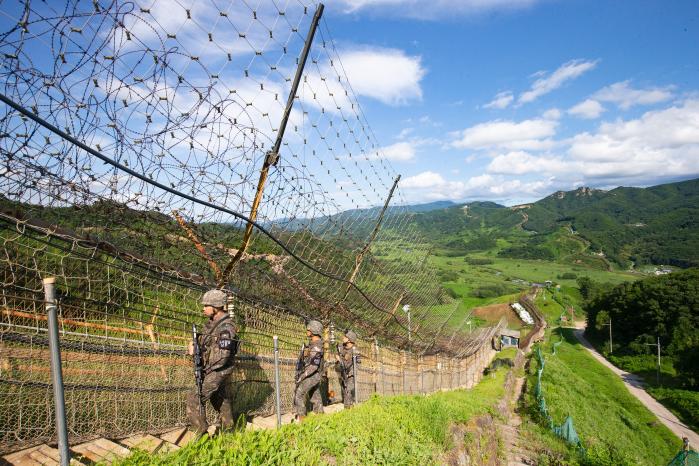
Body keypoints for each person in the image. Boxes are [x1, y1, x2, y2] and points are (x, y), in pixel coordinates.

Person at [186, 289, 238, 436]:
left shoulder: (226, 328)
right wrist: (193, 345)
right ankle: (229, 431)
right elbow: (204, 344)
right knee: (219, 399)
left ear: (215, 307)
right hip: (212, 369)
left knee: (195, 397)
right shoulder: (210, 324)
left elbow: (223, 356)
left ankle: (200, 433)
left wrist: (207, 370)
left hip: (218, 370)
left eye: (206, 306)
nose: (203, 309)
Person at [294, 320, 324, 420]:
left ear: (314, 330)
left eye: (309, 329)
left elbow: (314, 366)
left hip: (313, 375)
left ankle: (303, 420)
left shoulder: (316, 346)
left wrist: (302, 376)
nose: (307, 330)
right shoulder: (312, 344)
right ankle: (320, 416)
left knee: (299, 394)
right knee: (314, 395)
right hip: (313, 374)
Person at [335, 329, 358, 408]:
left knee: (348, 389)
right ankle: (348, 406)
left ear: (349, 339)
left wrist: (339, 359)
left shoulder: (354, 351)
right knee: (344, 389)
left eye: (345, 336)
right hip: (342, 372)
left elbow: (351, 365)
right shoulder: (341, 347)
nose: (343, 337)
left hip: (351, 373)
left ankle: (348, 407)